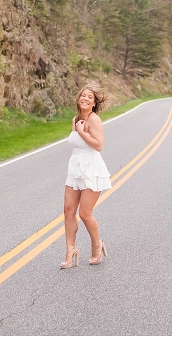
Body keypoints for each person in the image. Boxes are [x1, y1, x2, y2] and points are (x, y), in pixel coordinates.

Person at [61, 83, 111, 269]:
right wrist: (78, 129)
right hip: (75, 167)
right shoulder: (75, 119)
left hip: (91, 169)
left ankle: (97, 246)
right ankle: (70, 251)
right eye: (83, 95)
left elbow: (99, 145)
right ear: (78, 98)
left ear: (94, 103)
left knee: (84, 213)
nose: (85, 99)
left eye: (90, 97)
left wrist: (82, 132)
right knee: (68, 210)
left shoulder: (94, 120)